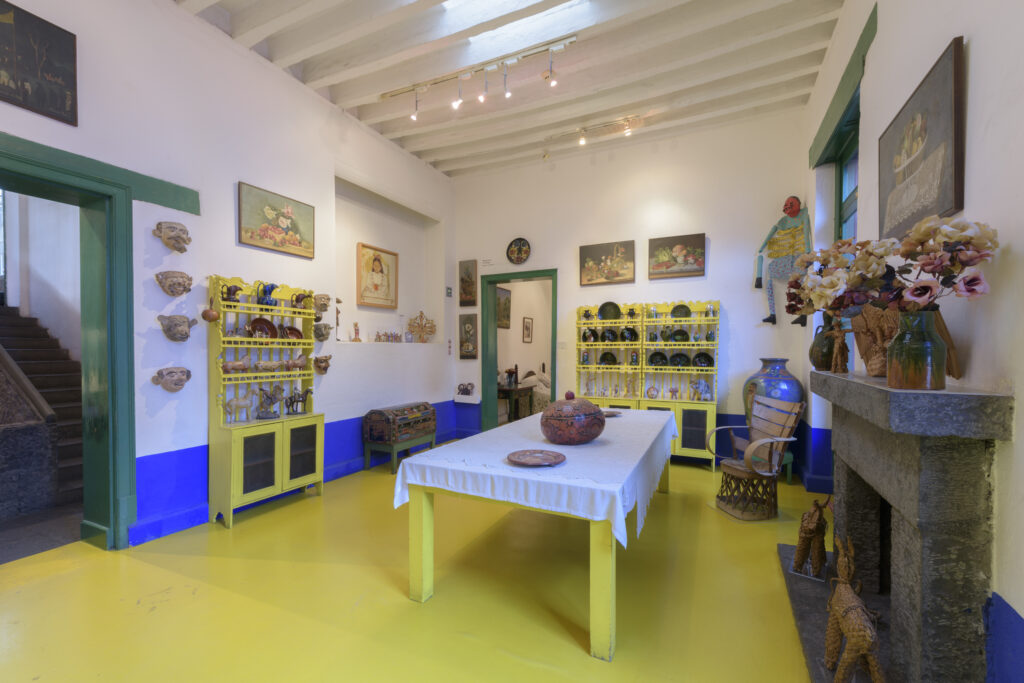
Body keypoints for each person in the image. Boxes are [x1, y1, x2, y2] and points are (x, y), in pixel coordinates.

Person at [754, 195, 811, 325]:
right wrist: (762, 247)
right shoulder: (783, 221)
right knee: (770, 273)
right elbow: (772, 231)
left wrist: (807, 252)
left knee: (801, 281)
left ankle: (803, 313)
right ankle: (772, 314)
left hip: (798, 255)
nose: (787, 206)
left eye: (790, 203)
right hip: (786, 258)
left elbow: (806, 230)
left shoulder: (803, 215)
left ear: (797, 204)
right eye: (786, 203)